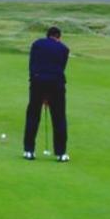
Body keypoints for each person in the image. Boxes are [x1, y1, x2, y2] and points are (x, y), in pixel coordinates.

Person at [23, 26, 69, 162]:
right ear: (58, 37)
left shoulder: (36, 44)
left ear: (47, 35)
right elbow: (60, 69)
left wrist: (42, 94)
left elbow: (32, 65)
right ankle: (61, 154)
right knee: (59, 118)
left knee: (32, 116)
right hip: (56, 85)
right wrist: (48, 97)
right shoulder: (64, 49)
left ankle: (28, 151)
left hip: (37, 83)